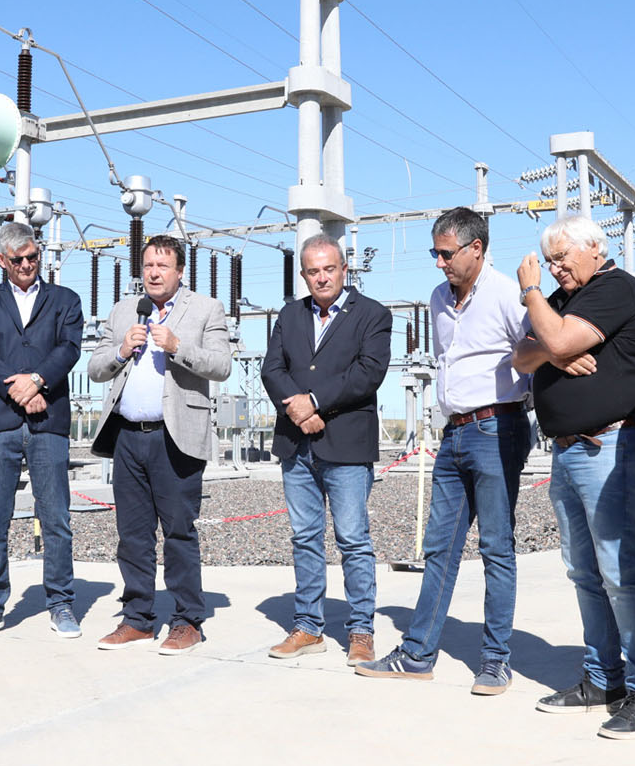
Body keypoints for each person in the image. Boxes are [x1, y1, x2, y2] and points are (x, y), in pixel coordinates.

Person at [357, 207, 531, 695]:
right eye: (435, 252)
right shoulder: (438, 298)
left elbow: (535, 347)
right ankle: (417, 654)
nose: (439, 262)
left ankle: (496, 660)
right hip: (454, 433)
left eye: (446, 253)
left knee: (496, 548)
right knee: (440, 548)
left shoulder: (505, 294)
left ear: (477, 248)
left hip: (498, 428)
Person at [513, 214, 635, 738]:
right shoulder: (561, 304)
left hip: (613, 443)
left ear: (596, 249)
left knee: (619, 569)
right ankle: (604, 679)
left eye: (562, 258)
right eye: (548, 261)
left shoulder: (614, 288)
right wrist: (556, 352)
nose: (555, 269)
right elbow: (524, 354)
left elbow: (550, 344)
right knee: (584, 571)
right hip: (568, 449)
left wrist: (532, 293)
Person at [88, 234, 232, 655]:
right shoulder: (123, 310)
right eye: (148, 265)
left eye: (162, 266)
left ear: (180, 271)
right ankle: (137, 619)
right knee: (131, 535)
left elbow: (221, 366)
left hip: (177, 437)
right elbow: (96, 367)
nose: (153, 272)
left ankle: (188, 620)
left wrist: (177, 347)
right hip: (129, 437)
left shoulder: (206, 309)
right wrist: (120, 349)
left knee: (178, 534)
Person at [259, 233, 392, 665]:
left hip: (347, 446)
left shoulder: (372, 315)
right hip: (298, 446)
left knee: (353, 539)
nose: (322, 277)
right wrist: (300, 411)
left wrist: (314, 402)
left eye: (329, 269)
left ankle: (360, 630)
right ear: (304, 275)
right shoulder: (291, 316)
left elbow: (368, 373)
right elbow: (272, 368)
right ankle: (307, 626)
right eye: (313, 271)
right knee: (304, 537)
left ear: (343, 269)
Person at [0, 222, 85, 641]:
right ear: (2, 261)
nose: (28, 265)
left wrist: (37, 381)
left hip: (48, 420)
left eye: (33, 257)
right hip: (0, 422)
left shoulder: (65, 300)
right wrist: (20, 387)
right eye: (18, 260)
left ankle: (61, 603)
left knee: (56, 517)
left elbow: (68, 349)